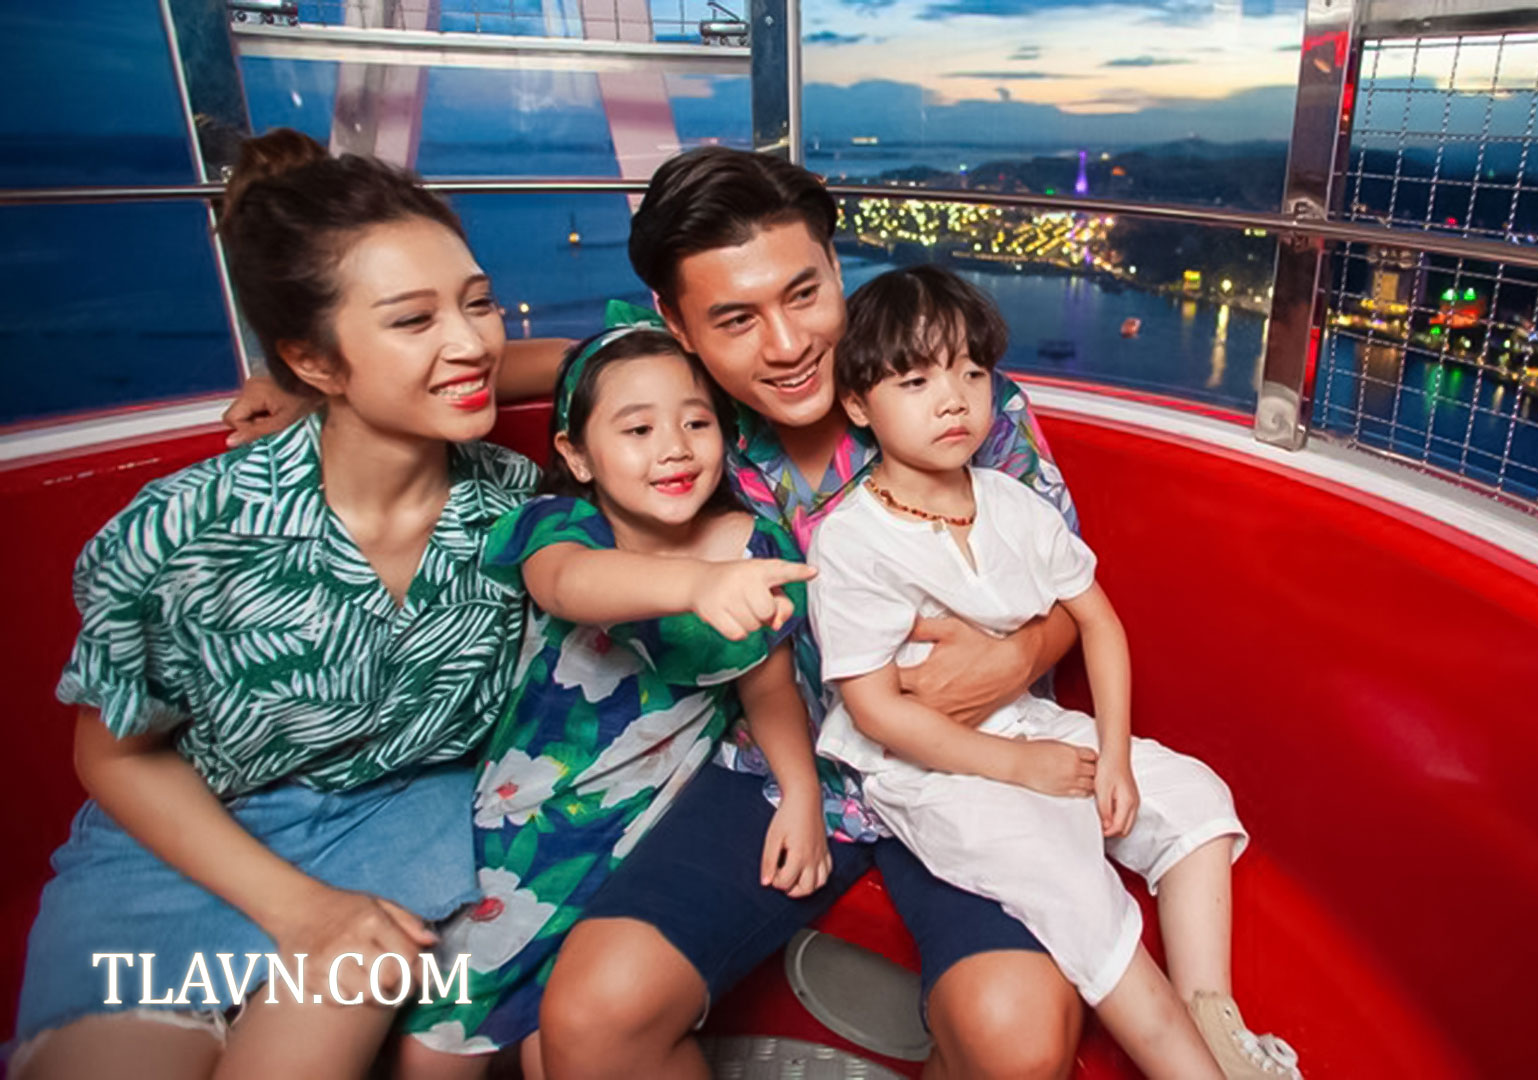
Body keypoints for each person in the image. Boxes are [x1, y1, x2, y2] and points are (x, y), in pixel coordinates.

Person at [225, 146, 1090, 1079]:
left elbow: (1072, 589)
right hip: (780, 766)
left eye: (804, 294)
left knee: (1016, 1036)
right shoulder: (689, 412)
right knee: (593, 1017)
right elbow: (554, 369)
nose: (786, 344)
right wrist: (311, 387)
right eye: (735, 319)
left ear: (837, 269)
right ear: (677, 328)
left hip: (969, 758)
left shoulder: (958, 397)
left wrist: (1020, 655)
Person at [7, 129, 542, 1080]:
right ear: (314, 361)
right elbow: (113, 752)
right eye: (413, 320)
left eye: (478, 303)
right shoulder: (187, 530)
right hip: (187, 849)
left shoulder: (520, 511)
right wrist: (299, 910)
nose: (473, 343)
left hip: (395, 834)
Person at [809, 266, 1303, 1080]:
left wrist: (1114, 759)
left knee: (1197, 797)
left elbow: (1099, 622)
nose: (954, 399)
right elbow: (878, 714)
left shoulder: (1013, 504)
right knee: (1073, 883)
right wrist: (1018, 767)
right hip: (925, 768)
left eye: (972, 373)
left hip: (1027, 721)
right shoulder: (851, 539)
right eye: (917, 380)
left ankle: (1211, 1017)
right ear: (859, 405)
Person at [400, 325, 827, 1071]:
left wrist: (801, 795)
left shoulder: (754, 549)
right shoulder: (561, 529)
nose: (675, 449)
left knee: (562, 1046)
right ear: (575, 455)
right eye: (637, 430)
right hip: (528, 824)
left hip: (647, 830)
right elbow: (571, 585)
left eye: (696, 423)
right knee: (437, 1048)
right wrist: (696, 586)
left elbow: (769, 687)